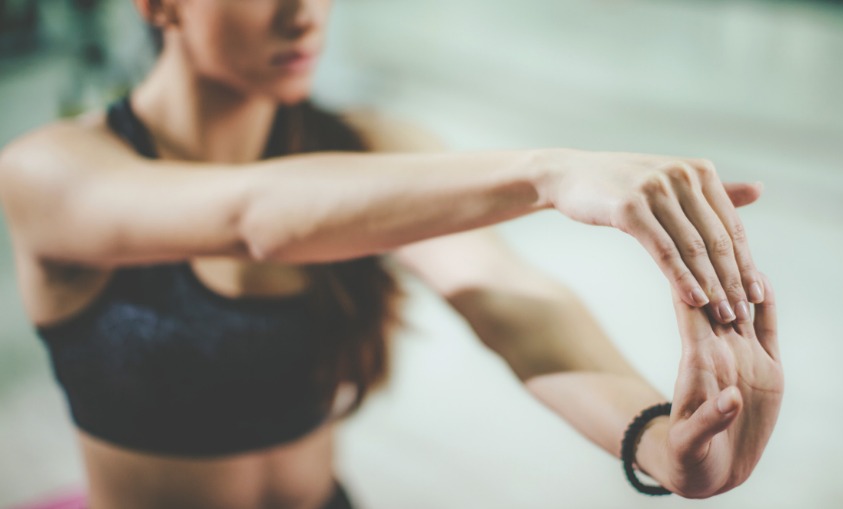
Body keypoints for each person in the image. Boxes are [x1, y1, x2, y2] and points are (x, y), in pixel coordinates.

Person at [0, 0, 784, 508]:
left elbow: (508, 298)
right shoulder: (52, 171)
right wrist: (546, 171)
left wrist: (654, 436)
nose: (303, 15)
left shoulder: (367, 147)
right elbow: (253, 215)